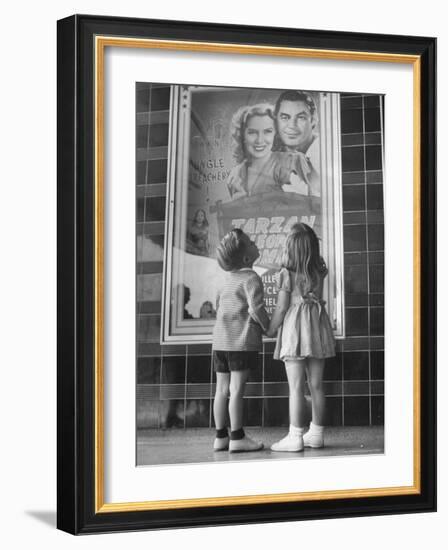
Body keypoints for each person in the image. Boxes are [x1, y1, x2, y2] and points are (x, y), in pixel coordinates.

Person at [266, 223, 335, 451]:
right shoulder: (319, 271)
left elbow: (282, 307)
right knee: (316, 385)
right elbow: (318, 299)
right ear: (313, 247)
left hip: (295, 329)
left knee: (296, 387)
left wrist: (271, 328)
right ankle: (316, 434)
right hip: (317, 326)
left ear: (290, 249)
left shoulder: (286, 274)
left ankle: (295, 436)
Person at [212, 228, 269, 452]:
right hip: (241, 343)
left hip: (220, 343)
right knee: (236, 390)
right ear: (247, 258)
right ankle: (237, 437)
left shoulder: (225, 280)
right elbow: (256, 310)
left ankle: (220, 437)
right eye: (251, 242)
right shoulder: (251, 278)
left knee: (221, 390)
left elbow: (220, 308)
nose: (255, 243)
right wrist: (268, 327)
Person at [227, 103, 310, 199]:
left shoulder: (292, 162)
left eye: (267, 131)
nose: (259, 140)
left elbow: (310, 206)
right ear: (242, 135)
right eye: (252, 132)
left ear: (276, 133)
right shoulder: (236, 175)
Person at [273, 90, 320, 197]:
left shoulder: (323, 154)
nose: (292, 125)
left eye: (301, 117)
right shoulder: (276, 152)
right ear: (276, 121)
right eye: (285, 117)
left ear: (313, 120)